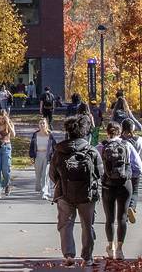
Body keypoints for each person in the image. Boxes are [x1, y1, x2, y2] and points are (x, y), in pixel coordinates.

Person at [49, 114, 102, 268]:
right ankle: (88, 257)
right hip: (87, 194)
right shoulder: (91, 151)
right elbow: (100, 173)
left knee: (65, 225)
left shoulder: (59, 151)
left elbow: (53, 174)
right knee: (87, 226)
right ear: (84, 132)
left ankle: (69, 255)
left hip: (65, 193)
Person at [98, 121, 142, 260]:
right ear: (120, 132)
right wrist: (130, 175)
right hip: (125, 184)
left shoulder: (101, 146)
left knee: (109, 219)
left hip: (108, 185)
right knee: (122, 218)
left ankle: (110, 247)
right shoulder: (127, 145)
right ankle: (120, 250)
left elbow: (94, 164)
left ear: (107, 132)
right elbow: (139, 167)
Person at [121, 118, 142, 223]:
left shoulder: (119, 141)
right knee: (134, 191)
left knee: (123, 192)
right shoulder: (139, 140)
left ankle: (123, 211)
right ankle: (132, 207)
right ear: (133, 128)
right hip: (135, 171)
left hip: (122, 171)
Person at [28, 116, 56, 199]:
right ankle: (42, 189)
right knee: (38, 174)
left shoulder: (50, 135)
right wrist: (32, 156)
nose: (42, 124)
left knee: (45, 174)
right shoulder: (35, 134)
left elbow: (55, 146)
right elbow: (32, 146)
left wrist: (54, 156)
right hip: (38, 155)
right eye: (40, 123)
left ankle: (44, 192)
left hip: (47, 156)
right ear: (38, 125)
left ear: (46, 124)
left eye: (43, 123)